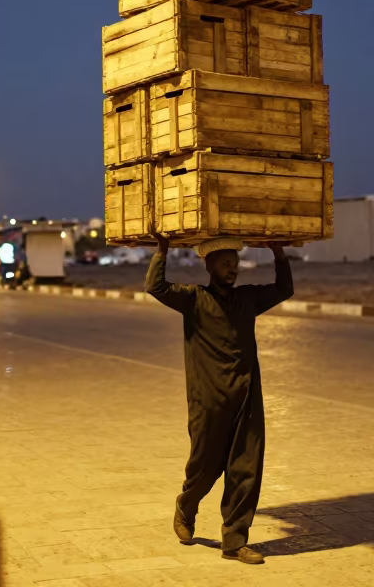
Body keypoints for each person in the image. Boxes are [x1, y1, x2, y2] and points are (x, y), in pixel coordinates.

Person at [145, 234, 293, 565]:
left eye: (235, 264)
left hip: (246, 397)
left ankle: (235, 540)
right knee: (205, 466)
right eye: (225, 264)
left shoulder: (247, 300)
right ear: (209, 266)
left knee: (246, 468)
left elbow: (284, 290)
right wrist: (163, 250)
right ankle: (187, 503)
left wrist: (279, 254)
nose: (232, 269)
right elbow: (157, 288)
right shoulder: (194, 299)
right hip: (208, 400)